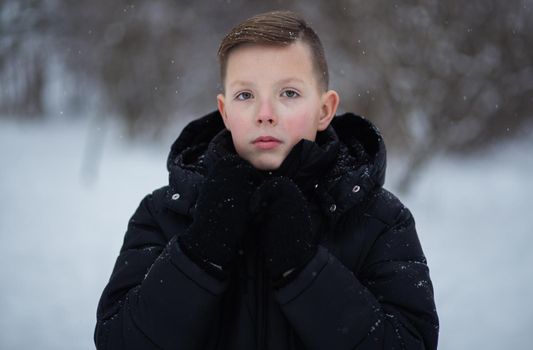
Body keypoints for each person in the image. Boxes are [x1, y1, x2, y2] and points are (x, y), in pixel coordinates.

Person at [94, 10, 439, 350]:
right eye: (245, 95)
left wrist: (305, 271)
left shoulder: (378, 219)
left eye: (288, 93)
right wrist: (198, 256)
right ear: (225, 111)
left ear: (324, 110)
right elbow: (118, 341)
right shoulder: (165, 213)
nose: (265, 114)